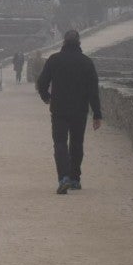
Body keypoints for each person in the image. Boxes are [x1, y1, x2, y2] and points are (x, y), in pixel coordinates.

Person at [36, 29, 102, 194]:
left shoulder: (54, 60)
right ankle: (75, 179)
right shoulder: (87, 62)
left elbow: (41, 82)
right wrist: (97, 114)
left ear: (64, 42)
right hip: (80, 110)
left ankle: (63, 177)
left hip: (59, 109)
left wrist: (46, 97)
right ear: (79, 42)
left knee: (60, 143)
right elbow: (93, 91)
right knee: (77, 144)